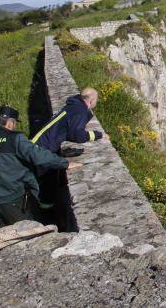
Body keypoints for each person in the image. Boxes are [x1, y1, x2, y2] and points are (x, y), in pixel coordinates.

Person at [0, 105, 71, 226]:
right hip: (16, 202)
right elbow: (39, 156)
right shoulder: (15, 139)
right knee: (29, 238)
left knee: (2, 241)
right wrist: (65, 163)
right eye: (15, 123)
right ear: (10, 123)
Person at [29, 87, 104, 229]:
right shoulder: (80, 111)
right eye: (96, 101)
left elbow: (68, 132)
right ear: (91, 100)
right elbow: (76, 135)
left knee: (45, 180)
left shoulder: (73, 105)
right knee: (46, 183)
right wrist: (97, 135)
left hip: (40, 143)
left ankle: (45, 212)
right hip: (42, 149)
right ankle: (46, 219)